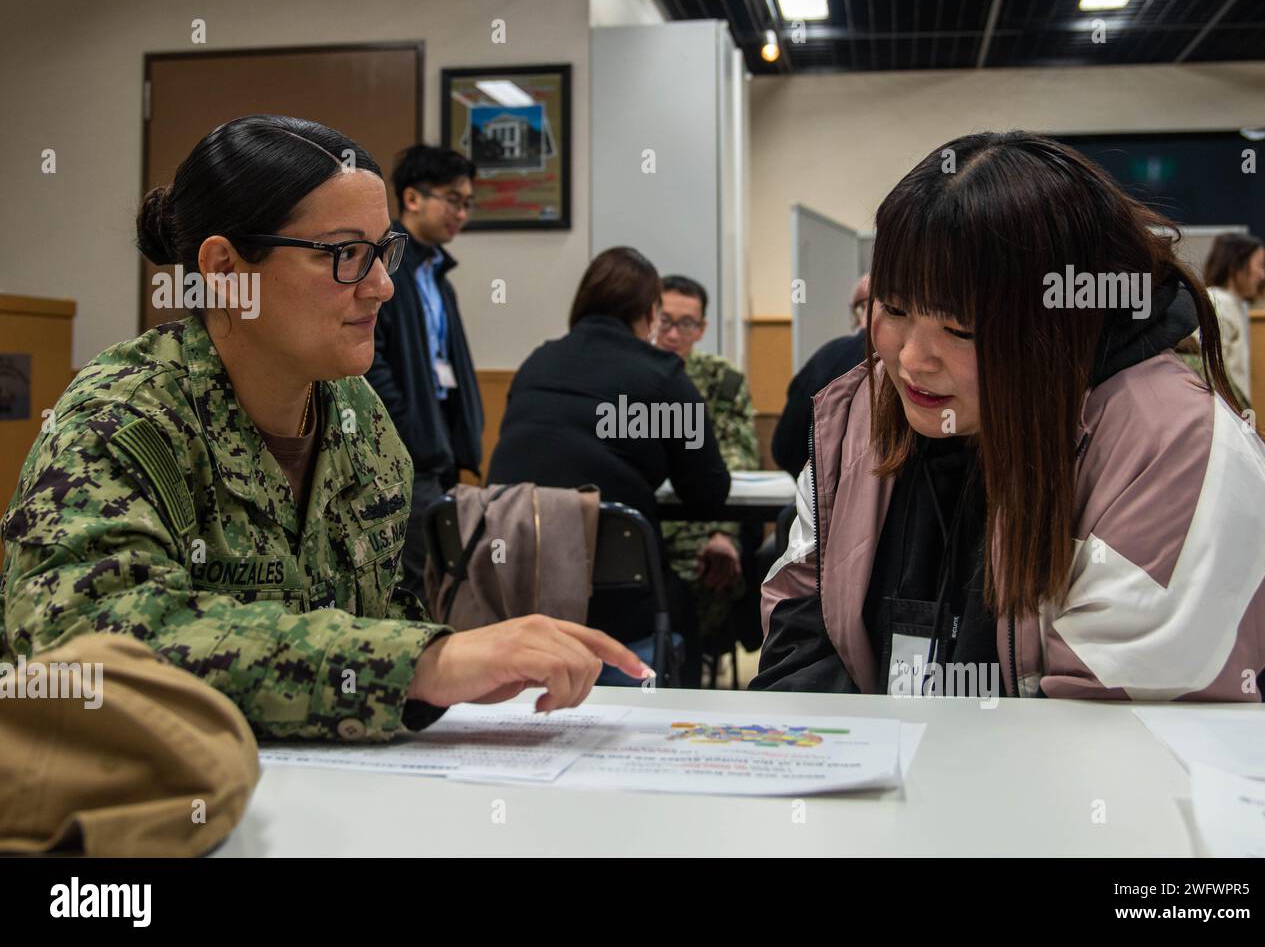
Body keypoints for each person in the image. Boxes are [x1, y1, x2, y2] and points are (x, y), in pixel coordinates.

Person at [0, 116, 648, 743]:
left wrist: (450, 668)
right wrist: (422, 664)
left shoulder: (358, 418)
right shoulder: (120, 423)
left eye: (383, 251)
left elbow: (384, 613)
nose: (381, 286)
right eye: (345, 254)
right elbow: (85, 646)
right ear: (225, 271)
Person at [753, 131, 1265, 702]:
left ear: (1060, 323)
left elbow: (1117, 739)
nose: (911, 360)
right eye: (893, 308)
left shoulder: (1174, 450)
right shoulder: (862, 414)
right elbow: (805, 622)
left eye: (961, 328)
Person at [488, 248, 730, 685]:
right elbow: (709, 491)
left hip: (513, 586)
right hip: (618, 603)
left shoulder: (535, 365)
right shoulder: (664, 377)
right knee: (684, 603)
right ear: (649, 313)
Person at [366, 145, 485, 605]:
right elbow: (373, 361)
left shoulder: (438, 275)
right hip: (405, 456)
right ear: (412, 198)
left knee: (443, 585)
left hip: (440, 456)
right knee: (415, 588)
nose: (461, 213)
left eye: (467, 203)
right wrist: (405, 431)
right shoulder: (387, 266)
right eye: (453, 199)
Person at [654, 275, 759, 653]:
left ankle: (686, 681)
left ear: (701, 329)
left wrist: (722, 532)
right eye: (664, 320)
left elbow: (735, 458)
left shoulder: (721, 379)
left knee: (696, 580)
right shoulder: (628, 376)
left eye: (685, 323)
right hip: (645, 520)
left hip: (701, 522)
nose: (672, 334)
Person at [771, 274, 870, 478]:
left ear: (858, 310)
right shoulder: (915, 361)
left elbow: (784, 448)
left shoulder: (827, 358)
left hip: (828, 499)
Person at [1202, 232, 1265, 406]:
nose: (1263, 276)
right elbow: (1212, 373)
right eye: (1260, 265)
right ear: (1235, 265)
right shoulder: (1218, 303)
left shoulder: (1236, 304)